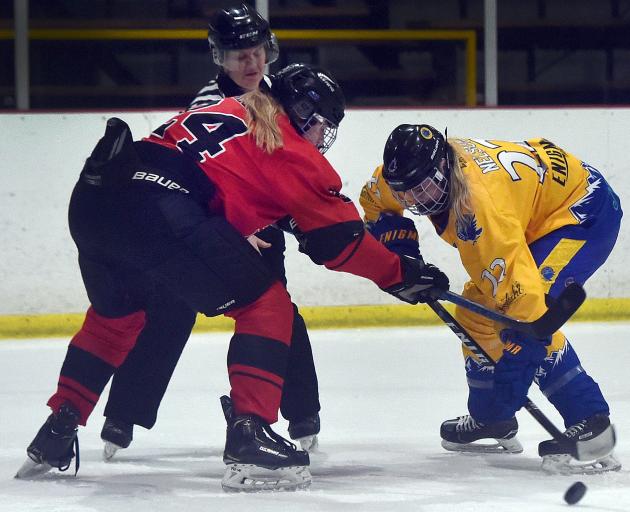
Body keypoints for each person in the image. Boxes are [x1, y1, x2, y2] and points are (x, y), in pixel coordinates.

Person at [16, 65, 449, 492]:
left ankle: (57, 429)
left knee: (117, 318)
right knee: (268, 304)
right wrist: (401, 274)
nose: (322, 140)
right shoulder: (287, 144)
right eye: (323, 127)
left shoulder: (226, 109)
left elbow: (207, 176)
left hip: (97, 202)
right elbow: (340, 244)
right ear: (303, 114)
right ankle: (250, 434)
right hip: (160, 210)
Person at [100, 3, 322, 460]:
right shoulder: (207, 104)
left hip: (259, 226)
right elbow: (189, 175)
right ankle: (122, 416)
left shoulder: (280, 96)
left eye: (259, 52)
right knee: (171, 307)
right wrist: (230, 228)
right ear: (219, 57)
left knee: (279, 311)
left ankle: (303, 413)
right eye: (241, 54)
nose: (253, 63)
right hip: (204, 225)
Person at [359, 123, 622, 474]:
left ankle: (590, 419)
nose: (415, 201)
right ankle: (492, 419)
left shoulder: (479, 212)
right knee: (477, 316)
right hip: (536, 207)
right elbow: (376, 202)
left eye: (421, 189)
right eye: (406, 193)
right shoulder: (408, 172)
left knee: (522, 318)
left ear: (443, 167)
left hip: (582, 214)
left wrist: (518, 362)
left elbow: (527, 308)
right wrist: (404, 254)